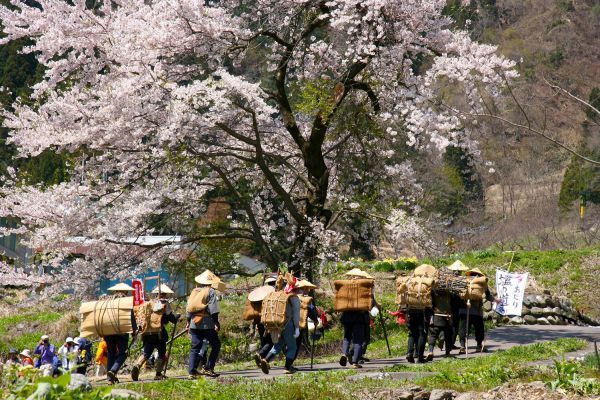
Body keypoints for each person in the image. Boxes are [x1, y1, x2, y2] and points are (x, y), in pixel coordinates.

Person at [131, 284, 180, 381]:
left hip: (147, 332)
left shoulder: (148, 303)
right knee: (161, 352)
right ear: (165, 294)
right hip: (159, 332)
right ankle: (158, 374)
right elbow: (172, 318)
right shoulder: (164, 303)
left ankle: (137, 365)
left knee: (146, 352)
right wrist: (177, 317)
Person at [260, 276, 301, 374]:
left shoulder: (276, 295)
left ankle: (266, 359)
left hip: (277, 325)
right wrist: (297, 328)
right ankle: (287, 368)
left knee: (278, 345)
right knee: (292, 347)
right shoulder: (293, 297)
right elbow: (296, 314)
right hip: (288, 324)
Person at [187, 270, 221, 378]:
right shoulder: (210, 291)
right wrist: (216, 321)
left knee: (195, 348)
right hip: (206, 323)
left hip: (194, 323)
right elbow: (213, 309)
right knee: (216, 344)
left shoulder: (194, 291)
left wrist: (188, 321)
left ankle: (192, 372)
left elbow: (188, 308)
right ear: (210, 282)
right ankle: (209, 368)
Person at [339, 268, 375, 369]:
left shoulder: (346, 287)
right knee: (358, 340)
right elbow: (370, 304)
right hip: (360, 317)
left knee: (347, 337)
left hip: (346, 316)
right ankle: (355, 362)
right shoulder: (364, 288)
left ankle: (344, 353)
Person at [458, 268, 494, 354]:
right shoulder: (481, 282)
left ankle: (462, 346)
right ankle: (479, 346)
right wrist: (495, 300)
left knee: (463, 328)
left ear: (469, 274)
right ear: (479, 275)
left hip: (464, 309)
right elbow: (488, 296)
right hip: (476, 311)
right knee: (479, 328)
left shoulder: (464, 281)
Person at [104, 282, 134, 384]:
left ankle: (110, 378)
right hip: (122, 332)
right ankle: (113, 370)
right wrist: (134, 330)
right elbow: (131, 317)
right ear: (125, 291)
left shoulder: (108, 302)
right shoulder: (125, 302)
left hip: (108, 332)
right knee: (123, 353)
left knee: (111, 353)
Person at [293, 279, 320, 362]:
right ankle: (289, 363)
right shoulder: (307, 300)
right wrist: (315, 320)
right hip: (300, 324)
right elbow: (312, 312)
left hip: (289, 323)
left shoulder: (292, 296)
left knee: (289, 343)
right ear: (304, 289)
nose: (308, 290)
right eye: (307, 288)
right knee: (296, 344)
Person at [253, 276, 277, 367]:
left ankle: (263, 361)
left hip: (259, 320)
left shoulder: (260, 292)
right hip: (268, 320)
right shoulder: (273, 293)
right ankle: (261, 354)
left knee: (264, 341)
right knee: (271, 342)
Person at [426, 286, 454, 360]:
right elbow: (454, 303)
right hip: (447, 316)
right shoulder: (450, 292)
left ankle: (431, 351)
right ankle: (447, 352)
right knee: (448, 334)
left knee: (433, 334)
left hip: (436, 315)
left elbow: (429, 302)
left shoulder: (433, 292)